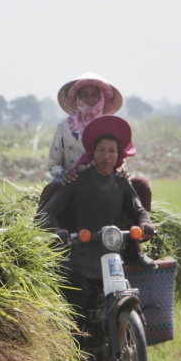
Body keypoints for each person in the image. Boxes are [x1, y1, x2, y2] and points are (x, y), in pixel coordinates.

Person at [35, 115, 154, 343]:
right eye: (101, 150)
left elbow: (139, 209)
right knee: (77, 315)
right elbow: (48, 211)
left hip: (111, 257)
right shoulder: (78, 181)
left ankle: (135, 360)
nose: (106, 156)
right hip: (81, 256)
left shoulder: (121, 183)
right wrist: (57, 230)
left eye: (112, 151)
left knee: (131, 301)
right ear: (92, 152)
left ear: (119, 155)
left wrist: (145, 224)